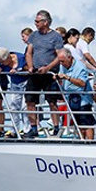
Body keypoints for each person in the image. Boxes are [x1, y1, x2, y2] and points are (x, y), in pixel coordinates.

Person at [23, 10, 63, 138]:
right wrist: (30, 67)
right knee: (29, 100)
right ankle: (33, 127)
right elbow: (29, 52)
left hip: (49, 74)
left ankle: (56, 127)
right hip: (35, 73)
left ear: (45, 22)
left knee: (52, 101)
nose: (35, 23)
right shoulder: (34, 36)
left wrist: (48, 67)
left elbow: (60, 55)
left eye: (37, 21)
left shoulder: (56, 36)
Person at [0, 47, 30, 136]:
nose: (2, 64)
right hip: (15, 85)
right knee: (14, 107)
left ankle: (27, 130)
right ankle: (14, 130)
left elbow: (29, 70)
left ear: (8, 57)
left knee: (24, 107)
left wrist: (19, 71)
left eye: (3, 61)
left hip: (26, 83)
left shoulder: (21, 58)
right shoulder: (2, 63)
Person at [56, 48, 95, 140]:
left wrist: (67, 77)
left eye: (63, 61)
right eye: (60, 61)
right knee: (78, 124)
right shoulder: (62, 66)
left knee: (87, 124)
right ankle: (81, 142)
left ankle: (90, 144)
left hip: (83, 100)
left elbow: (82, 83)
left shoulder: (80, 67)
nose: (61, 63)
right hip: (70, 99)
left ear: (69, 58)